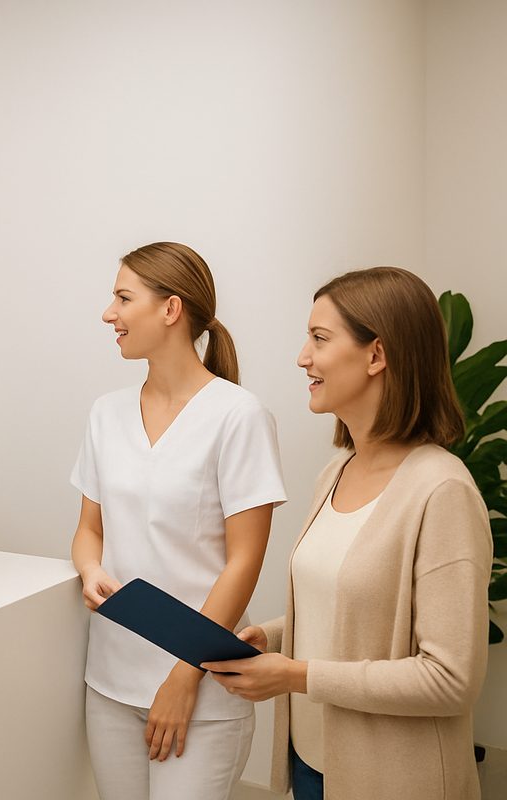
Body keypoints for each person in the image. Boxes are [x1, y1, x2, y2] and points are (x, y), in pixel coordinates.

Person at [204, 267, 491, 800]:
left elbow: (450, 679)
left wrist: (294, 676)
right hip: (314, 765)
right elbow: (357, 603)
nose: (302, 357)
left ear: (376, 355)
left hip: (394, 779)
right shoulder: (335, 473)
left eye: (319, 338)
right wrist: (271, 635)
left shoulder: (442, 490)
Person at [70, 242, 286, 800]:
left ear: (170, 310)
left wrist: (183, 677)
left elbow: (245, 561)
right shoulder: (106, 413)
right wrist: (89, 567)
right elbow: (90, 527)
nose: (107, 313)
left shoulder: (239, 416)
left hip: (202, 687)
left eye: (122, 297)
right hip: (111, 677)